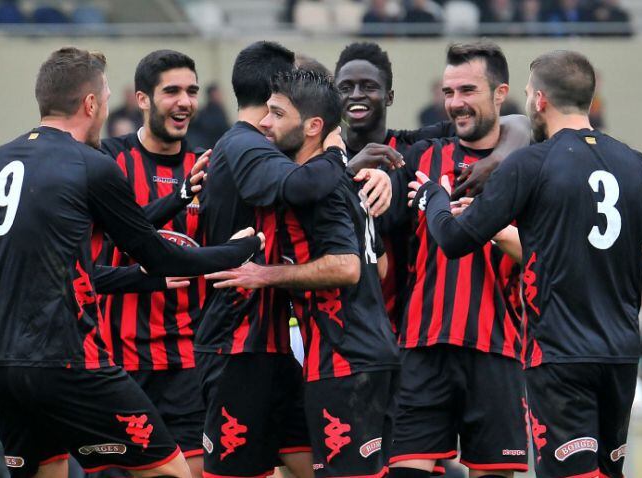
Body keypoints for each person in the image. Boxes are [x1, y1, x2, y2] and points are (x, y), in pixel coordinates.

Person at [408, 49, 642, 478]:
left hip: (559, 356)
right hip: (620, 354)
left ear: (540, 100)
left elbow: (454, 239)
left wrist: (433, 198)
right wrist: (632, 219)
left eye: (529, 93)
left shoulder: (533, 162)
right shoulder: (635, 164)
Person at [0, 46, 263, 478]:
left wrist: (178, 198)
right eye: (107, 99)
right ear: (90, 103)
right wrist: (243, 249)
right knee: (172, 473)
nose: (107, 110)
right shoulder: (91, 163)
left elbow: (100, 245)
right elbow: (157, 253)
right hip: (70, 363)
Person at [194, 41, 394, 478]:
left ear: (312, 125)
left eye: (278, 113)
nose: (267, 123)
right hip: (306, 352)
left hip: (339, 356)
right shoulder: (328, 175)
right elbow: (378, 266)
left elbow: (349, 266)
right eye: (268, 110)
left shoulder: (318, 184)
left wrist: (267, 274)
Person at [384, 41, 527, 478]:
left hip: (497, 347)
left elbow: (544, 253)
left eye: (467, 90)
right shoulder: (423, 156)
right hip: (423, 347)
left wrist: (487, 226)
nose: (455, 103)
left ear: (499, 94)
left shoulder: (529, 167)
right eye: (448, 92)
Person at [333, 41, 529, 333]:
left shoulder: (415, 148)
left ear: (389, 96)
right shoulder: (326, 162)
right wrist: (349, 172)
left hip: (406, 325)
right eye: (345, 87)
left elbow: (517, 123)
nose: (357, 95)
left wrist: (496, 159)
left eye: (368, 86)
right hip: (345, 328)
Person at [93, 49, 211, 478]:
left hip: (188, 364)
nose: (185, 101)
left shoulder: (209, 170)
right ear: (142, 99)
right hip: (118, 365)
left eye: (192, 91)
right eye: (172, 91)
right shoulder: (105, 162)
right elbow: (106, 248)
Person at [186, 83, 231, 149]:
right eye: (217, 94)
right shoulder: (206, 113)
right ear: (211, 95)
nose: (220, 96)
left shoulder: (220, 110)